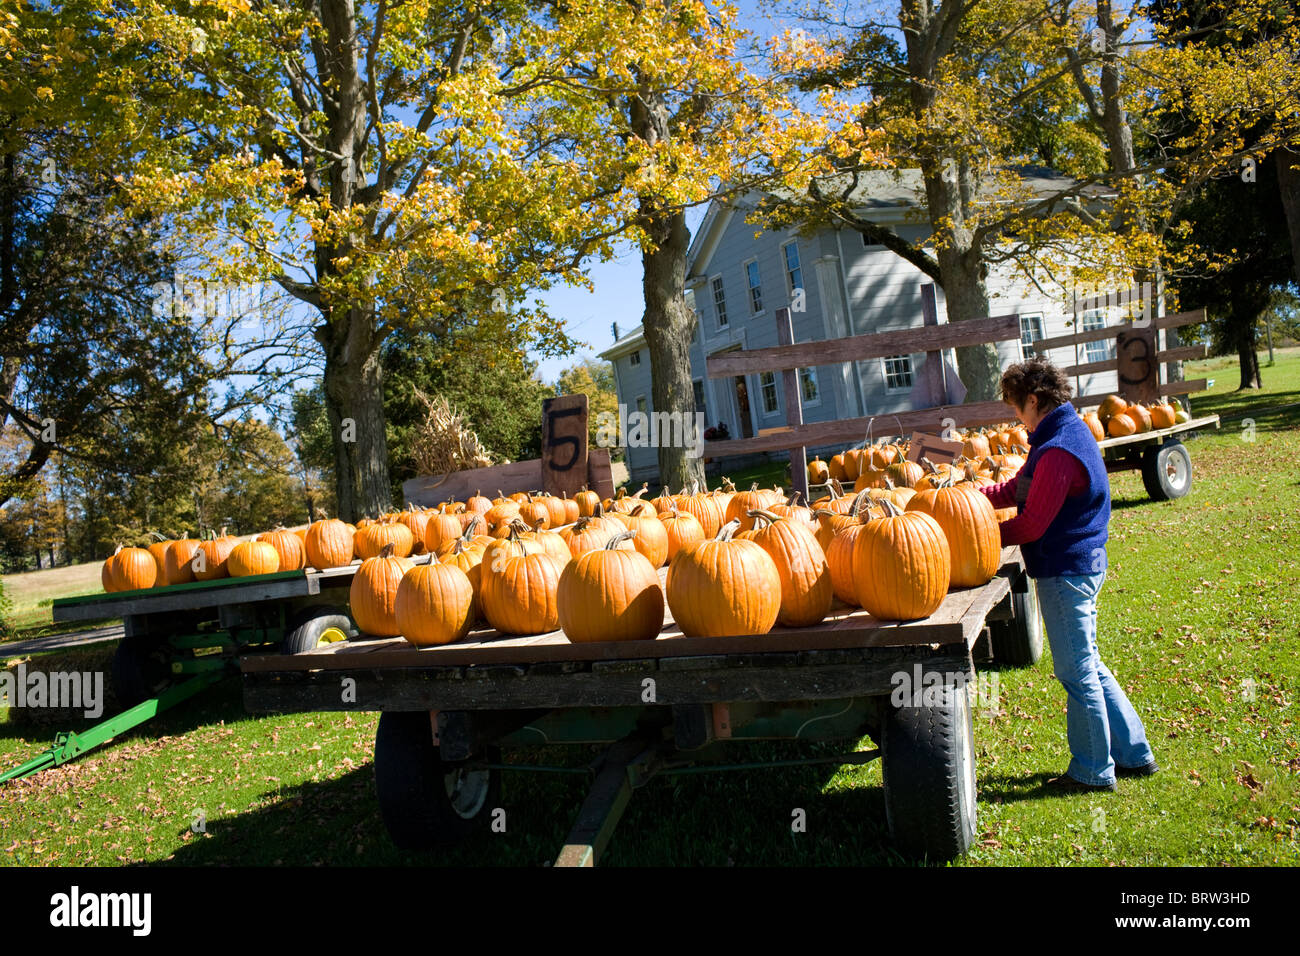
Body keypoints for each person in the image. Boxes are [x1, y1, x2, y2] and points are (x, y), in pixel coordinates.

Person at [980, 357, 1158, 793]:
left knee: (1077, 672)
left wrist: (981, 537)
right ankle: (1134, 753)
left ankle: (1093, 770)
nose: (1015, 417)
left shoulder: (1059, 450)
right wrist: (972, 499)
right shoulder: (1061, 434)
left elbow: (1033, 524)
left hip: (1066, 571)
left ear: (1035, 400)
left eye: (1016, 408)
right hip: (1082, 565)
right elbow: (1017, 488)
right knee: (1090, 664)